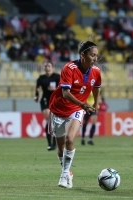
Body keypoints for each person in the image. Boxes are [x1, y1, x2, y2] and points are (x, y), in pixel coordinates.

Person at [48, 40, 101, 189]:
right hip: (58, 109)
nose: (95, 58)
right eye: (93, 55)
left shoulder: (96, 71)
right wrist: (83, 104)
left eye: (97, 56)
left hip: (76, 110)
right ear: (83, 54)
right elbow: (65, 93)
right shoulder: (69, 68)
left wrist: (96, 103)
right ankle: (67, 172)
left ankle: (64, 174)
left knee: (70, 139)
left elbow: (97, 86)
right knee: (60, 149)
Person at [34, 61, 60, 151]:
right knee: (49, 120)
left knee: (55, 122)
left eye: (49, 66)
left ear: (52, 67)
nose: (47, 68)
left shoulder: (57, 77)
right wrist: (36, 96)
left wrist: (55, 89)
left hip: (55, 101)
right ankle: (49, 144)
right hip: (45, 100)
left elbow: (63, 88)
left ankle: (54, 143)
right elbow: (37, 88)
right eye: (45, 66)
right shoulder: (41, 78)